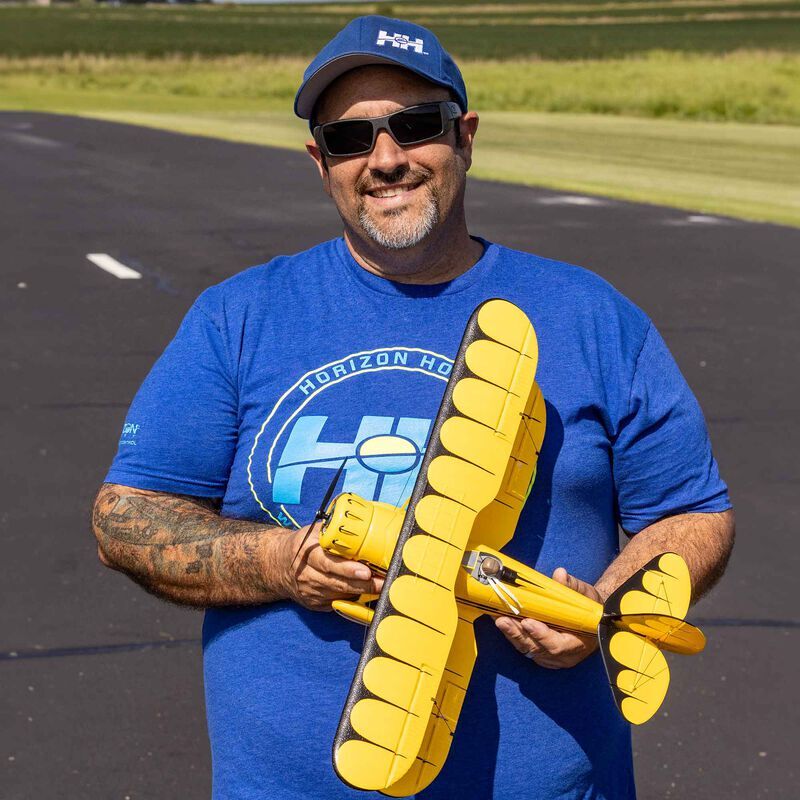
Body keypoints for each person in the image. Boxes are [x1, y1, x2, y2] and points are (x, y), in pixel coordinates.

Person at [92, 15, 735, 800]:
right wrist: (282, 561)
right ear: (320, 162)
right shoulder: (238, 316)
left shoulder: (591, 315)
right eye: (349, 138)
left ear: (465, 136)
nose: (386, 159)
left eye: (416, 125)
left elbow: (692, 512)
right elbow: (125, 516)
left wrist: (602, 604)